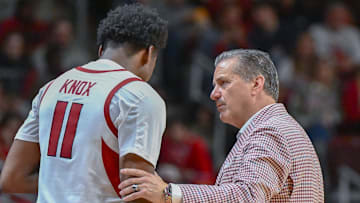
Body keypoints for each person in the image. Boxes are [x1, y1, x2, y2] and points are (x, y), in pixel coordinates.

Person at [0, 3, 168, 203]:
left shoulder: (50, 88)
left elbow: (11, 179)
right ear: (149, 53)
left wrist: (66, 182)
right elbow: (138, 193)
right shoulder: (139, 95)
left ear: (100, 50)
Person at [118, 49, 324, 202]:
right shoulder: (276, 127)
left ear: (256, 84)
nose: (213, 94)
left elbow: (248, 196)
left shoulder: (271, 130)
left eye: (224, 83)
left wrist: (169, 193)